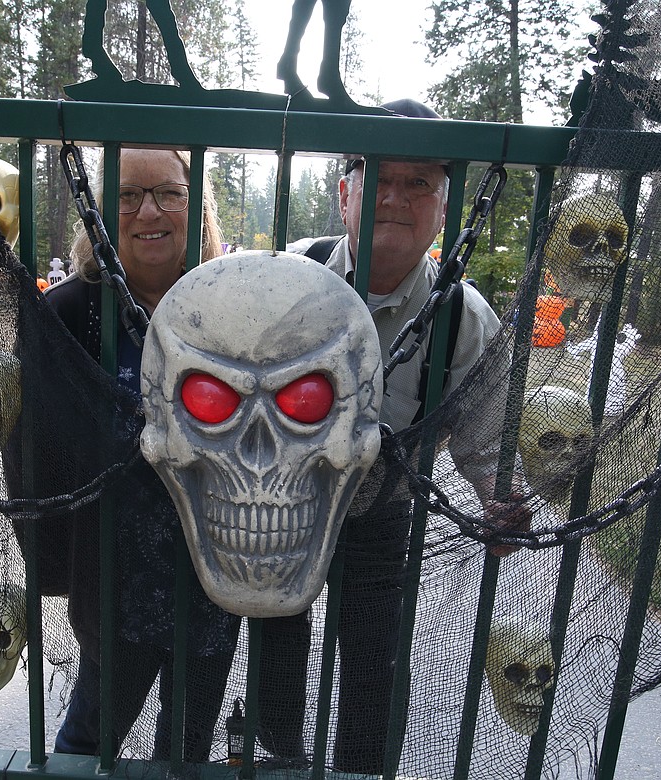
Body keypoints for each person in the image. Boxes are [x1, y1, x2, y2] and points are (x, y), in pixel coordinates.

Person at [261, 99, 531, 774]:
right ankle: (278, 756)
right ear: (344, 190)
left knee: (375, 662)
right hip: (284, 505)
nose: (396, 197)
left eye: (419, 184)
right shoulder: (286, 278)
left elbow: (488, 438)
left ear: (443, 207)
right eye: (379, 176)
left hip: (383, 513)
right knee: (274, 648)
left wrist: (503, 497)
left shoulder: (464, 317)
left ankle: (360, 769)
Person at [35, 148, 239, 762]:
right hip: (113, 588)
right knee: (86, 748)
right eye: (127, 195)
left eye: (168, 193)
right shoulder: (68, 314)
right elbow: (33, 453)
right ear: (102, 210)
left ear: (195, 206)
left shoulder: (235, 309)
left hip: (213, 585)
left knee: (186, 755)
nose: (148, 211)